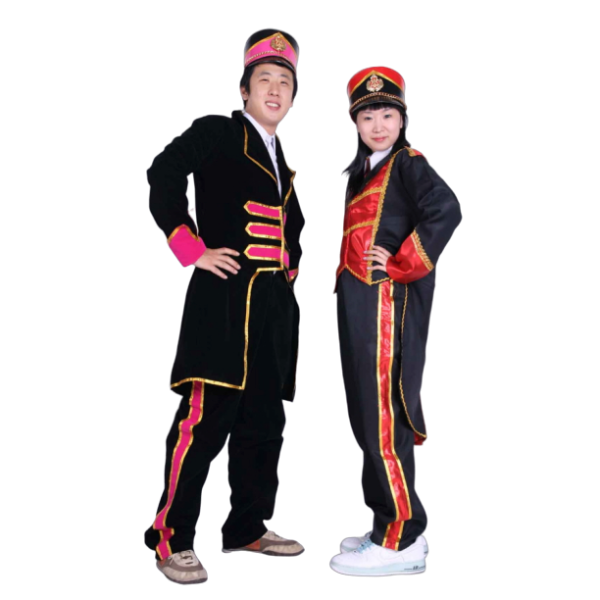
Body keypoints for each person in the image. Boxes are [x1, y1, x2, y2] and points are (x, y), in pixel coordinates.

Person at [143, 28, 305, 586]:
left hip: (273, 313)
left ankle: (246, 529)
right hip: (224, 302)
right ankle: (172, 538)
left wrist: (291, 271)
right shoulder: (217, 130)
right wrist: (191, 249)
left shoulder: (284, 159)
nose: (275, 89)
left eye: (285, 82)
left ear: (293, 97)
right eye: (265, 79)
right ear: (244, 89)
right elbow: (162, 172)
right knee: (203, 423)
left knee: (265, 425)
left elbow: (292, 227)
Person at [329, 65, 462, 577]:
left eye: (388, 114)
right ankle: (384, 522)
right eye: (368, 117)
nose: (378, 125)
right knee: (367, 419)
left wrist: (403, 263)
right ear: (355, 124)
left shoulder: (408, 162)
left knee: (384, 417)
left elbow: (446, 209)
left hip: (385, 305)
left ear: (403, 119)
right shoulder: (362, 171)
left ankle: (403, 538)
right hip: (357, 308)